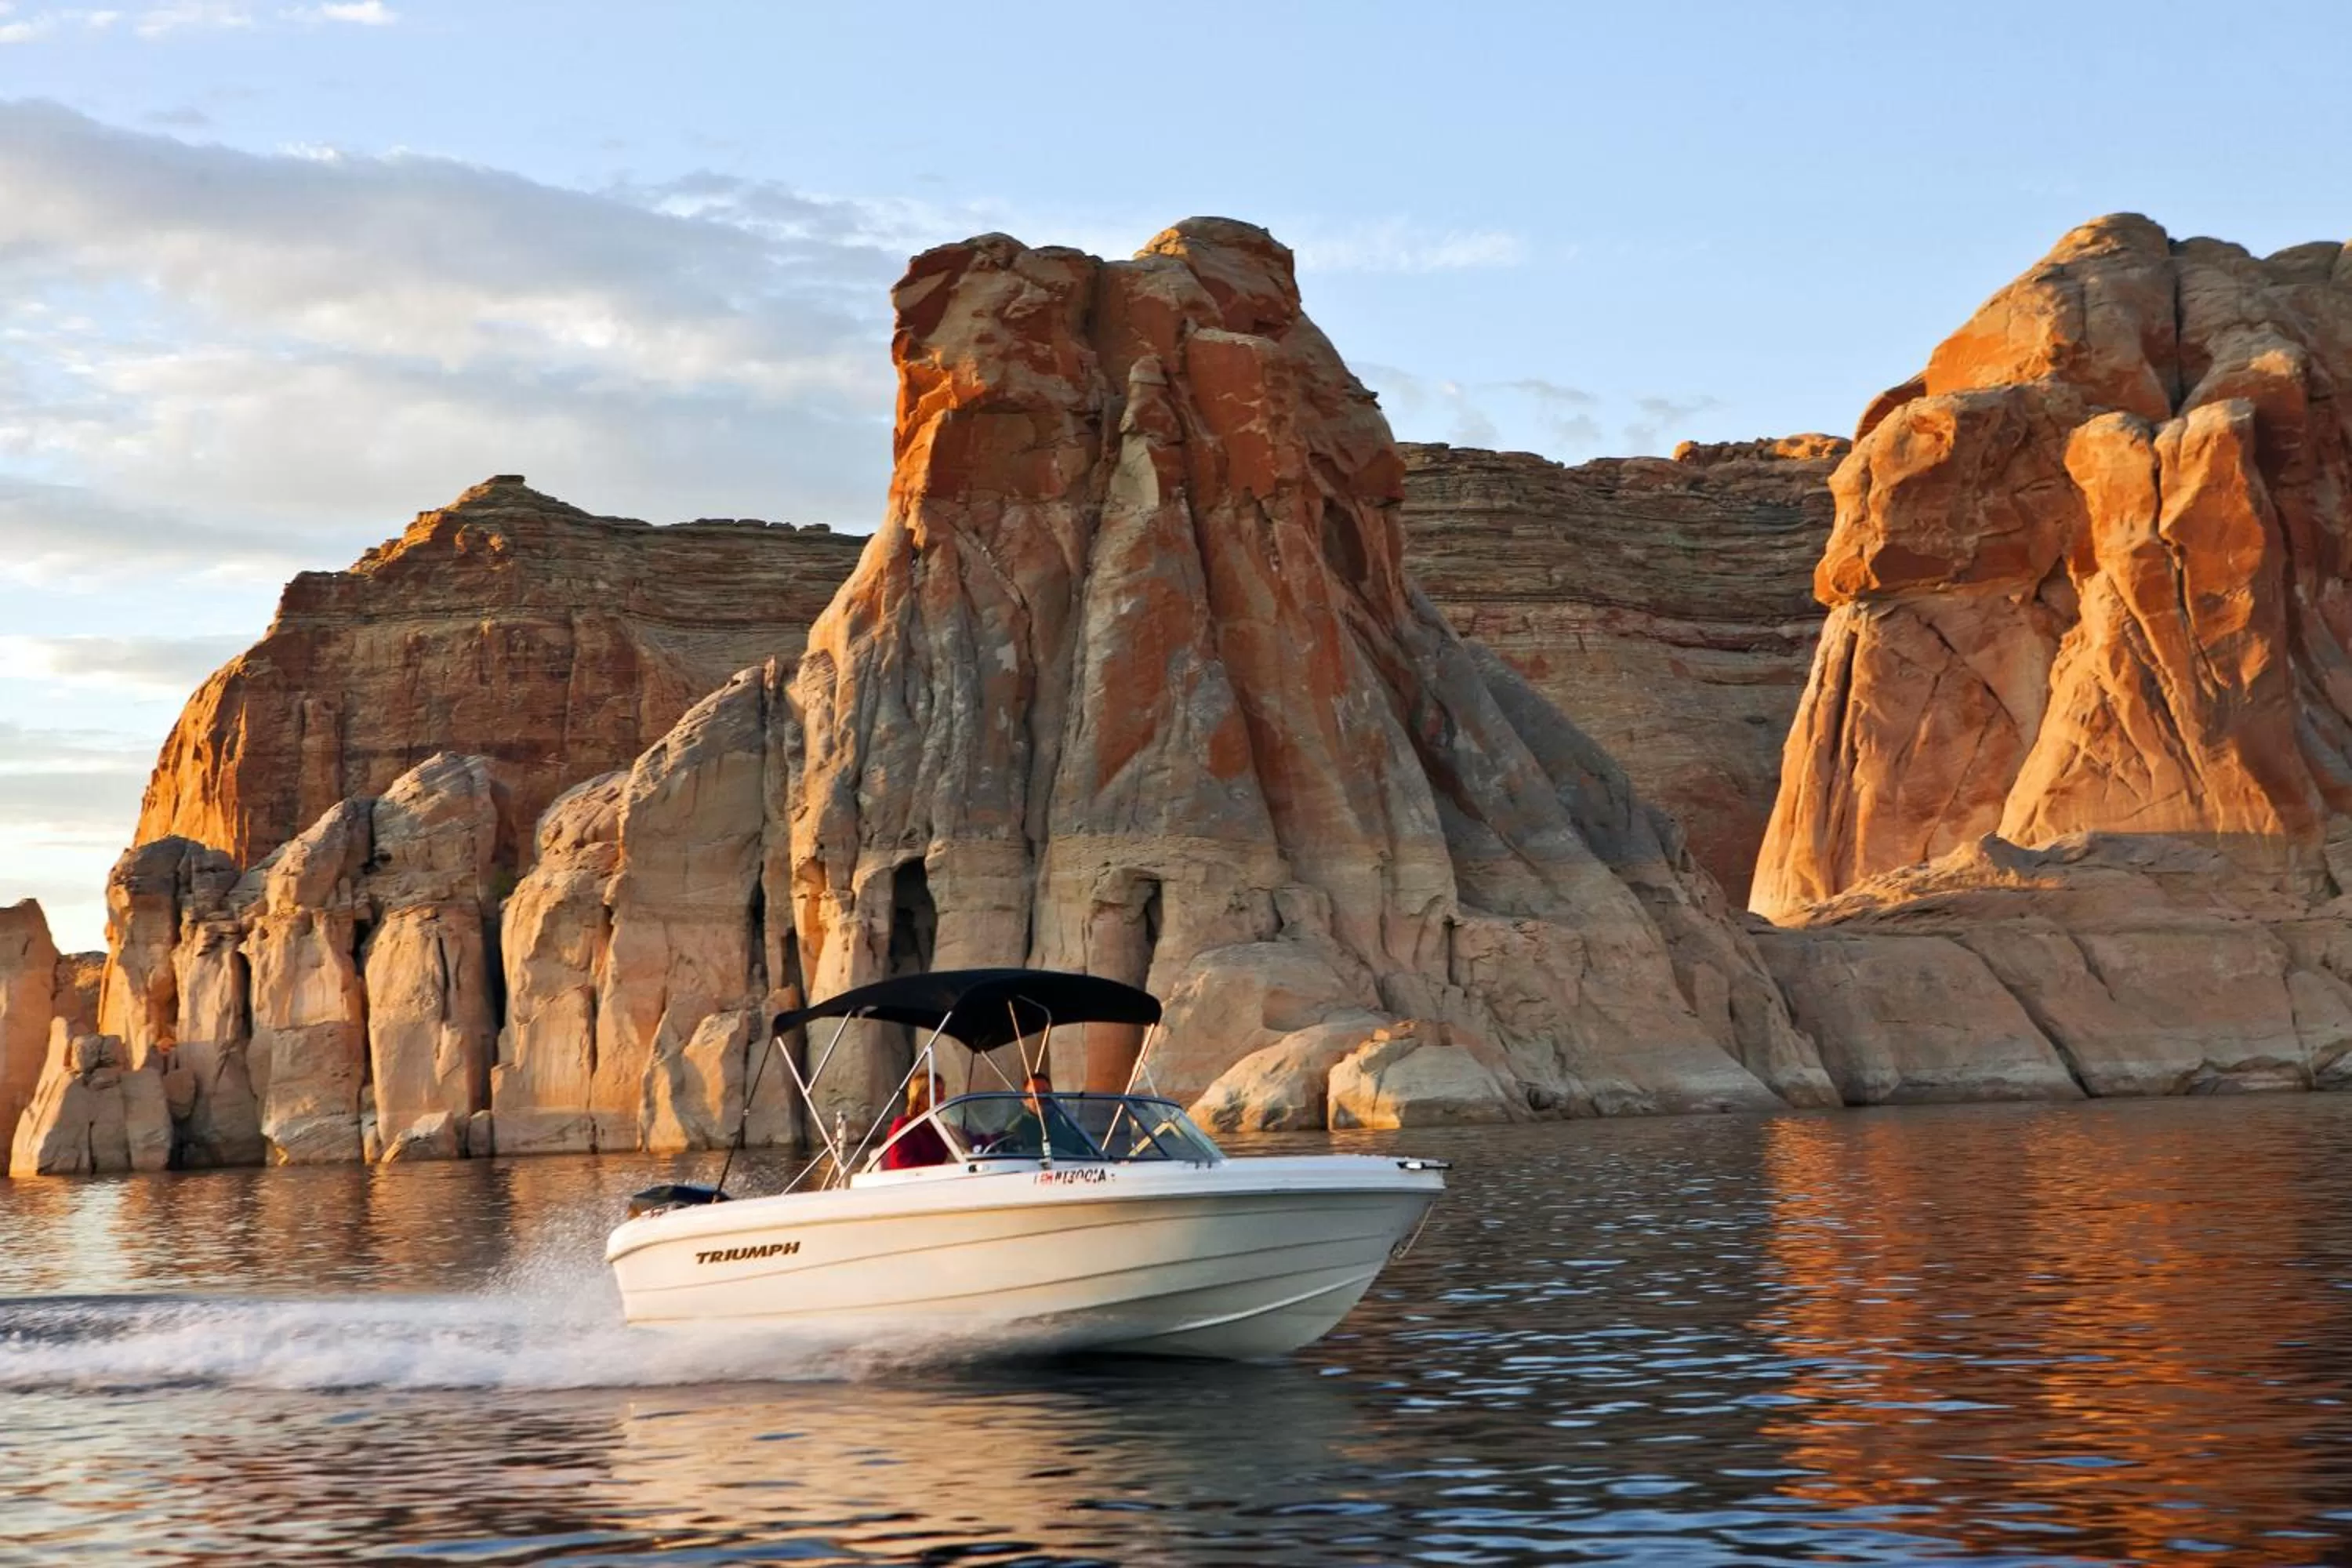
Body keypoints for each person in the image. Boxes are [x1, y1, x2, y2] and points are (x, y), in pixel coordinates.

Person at [880, 1074, 951, 1170]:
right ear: (920, 1095)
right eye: (936, 1091)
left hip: (936, 1180)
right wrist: (940, 1171)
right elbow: (901, 1165)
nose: (942, 1097)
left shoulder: (937, 1127)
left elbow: (964, 1144)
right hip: (914, 1182)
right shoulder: (904, 1125)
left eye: (943, 1092)